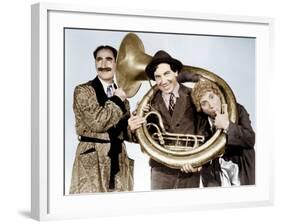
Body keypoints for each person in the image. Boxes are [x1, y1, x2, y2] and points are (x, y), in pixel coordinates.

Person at [129, 50, 202, 190]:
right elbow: (144, 137)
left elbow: (203, 130)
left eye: (166, 73)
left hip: (189, 168)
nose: (163, 81)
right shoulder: (149, 103)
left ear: (175, 72)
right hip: (161, 170)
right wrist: (133, 128)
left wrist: (199, 161)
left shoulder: (193, 95)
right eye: (158, 77)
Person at [69, 45, 134, 194]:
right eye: (99, 59)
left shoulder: (122, 96)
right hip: (92, 160)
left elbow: (125, 134)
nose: (103, 64)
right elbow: (97, 123)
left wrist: (133, 126)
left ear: (117, 64)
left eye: (109, 59)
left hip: (118, 160)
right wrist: (118, 99)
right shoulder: (83, 91)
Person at [182, 80, 255, 186]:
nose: (211, 105)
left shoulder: (238, 110)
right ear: (200, 109)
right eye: (204, 103)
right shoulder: (200, 123)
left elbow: (250, 139)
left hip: (241, 173)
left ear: (218, 95)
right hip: (215, 178)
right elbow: (201, 151)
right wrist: (196, 164)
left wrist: (227, 125)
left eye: (211, 97)